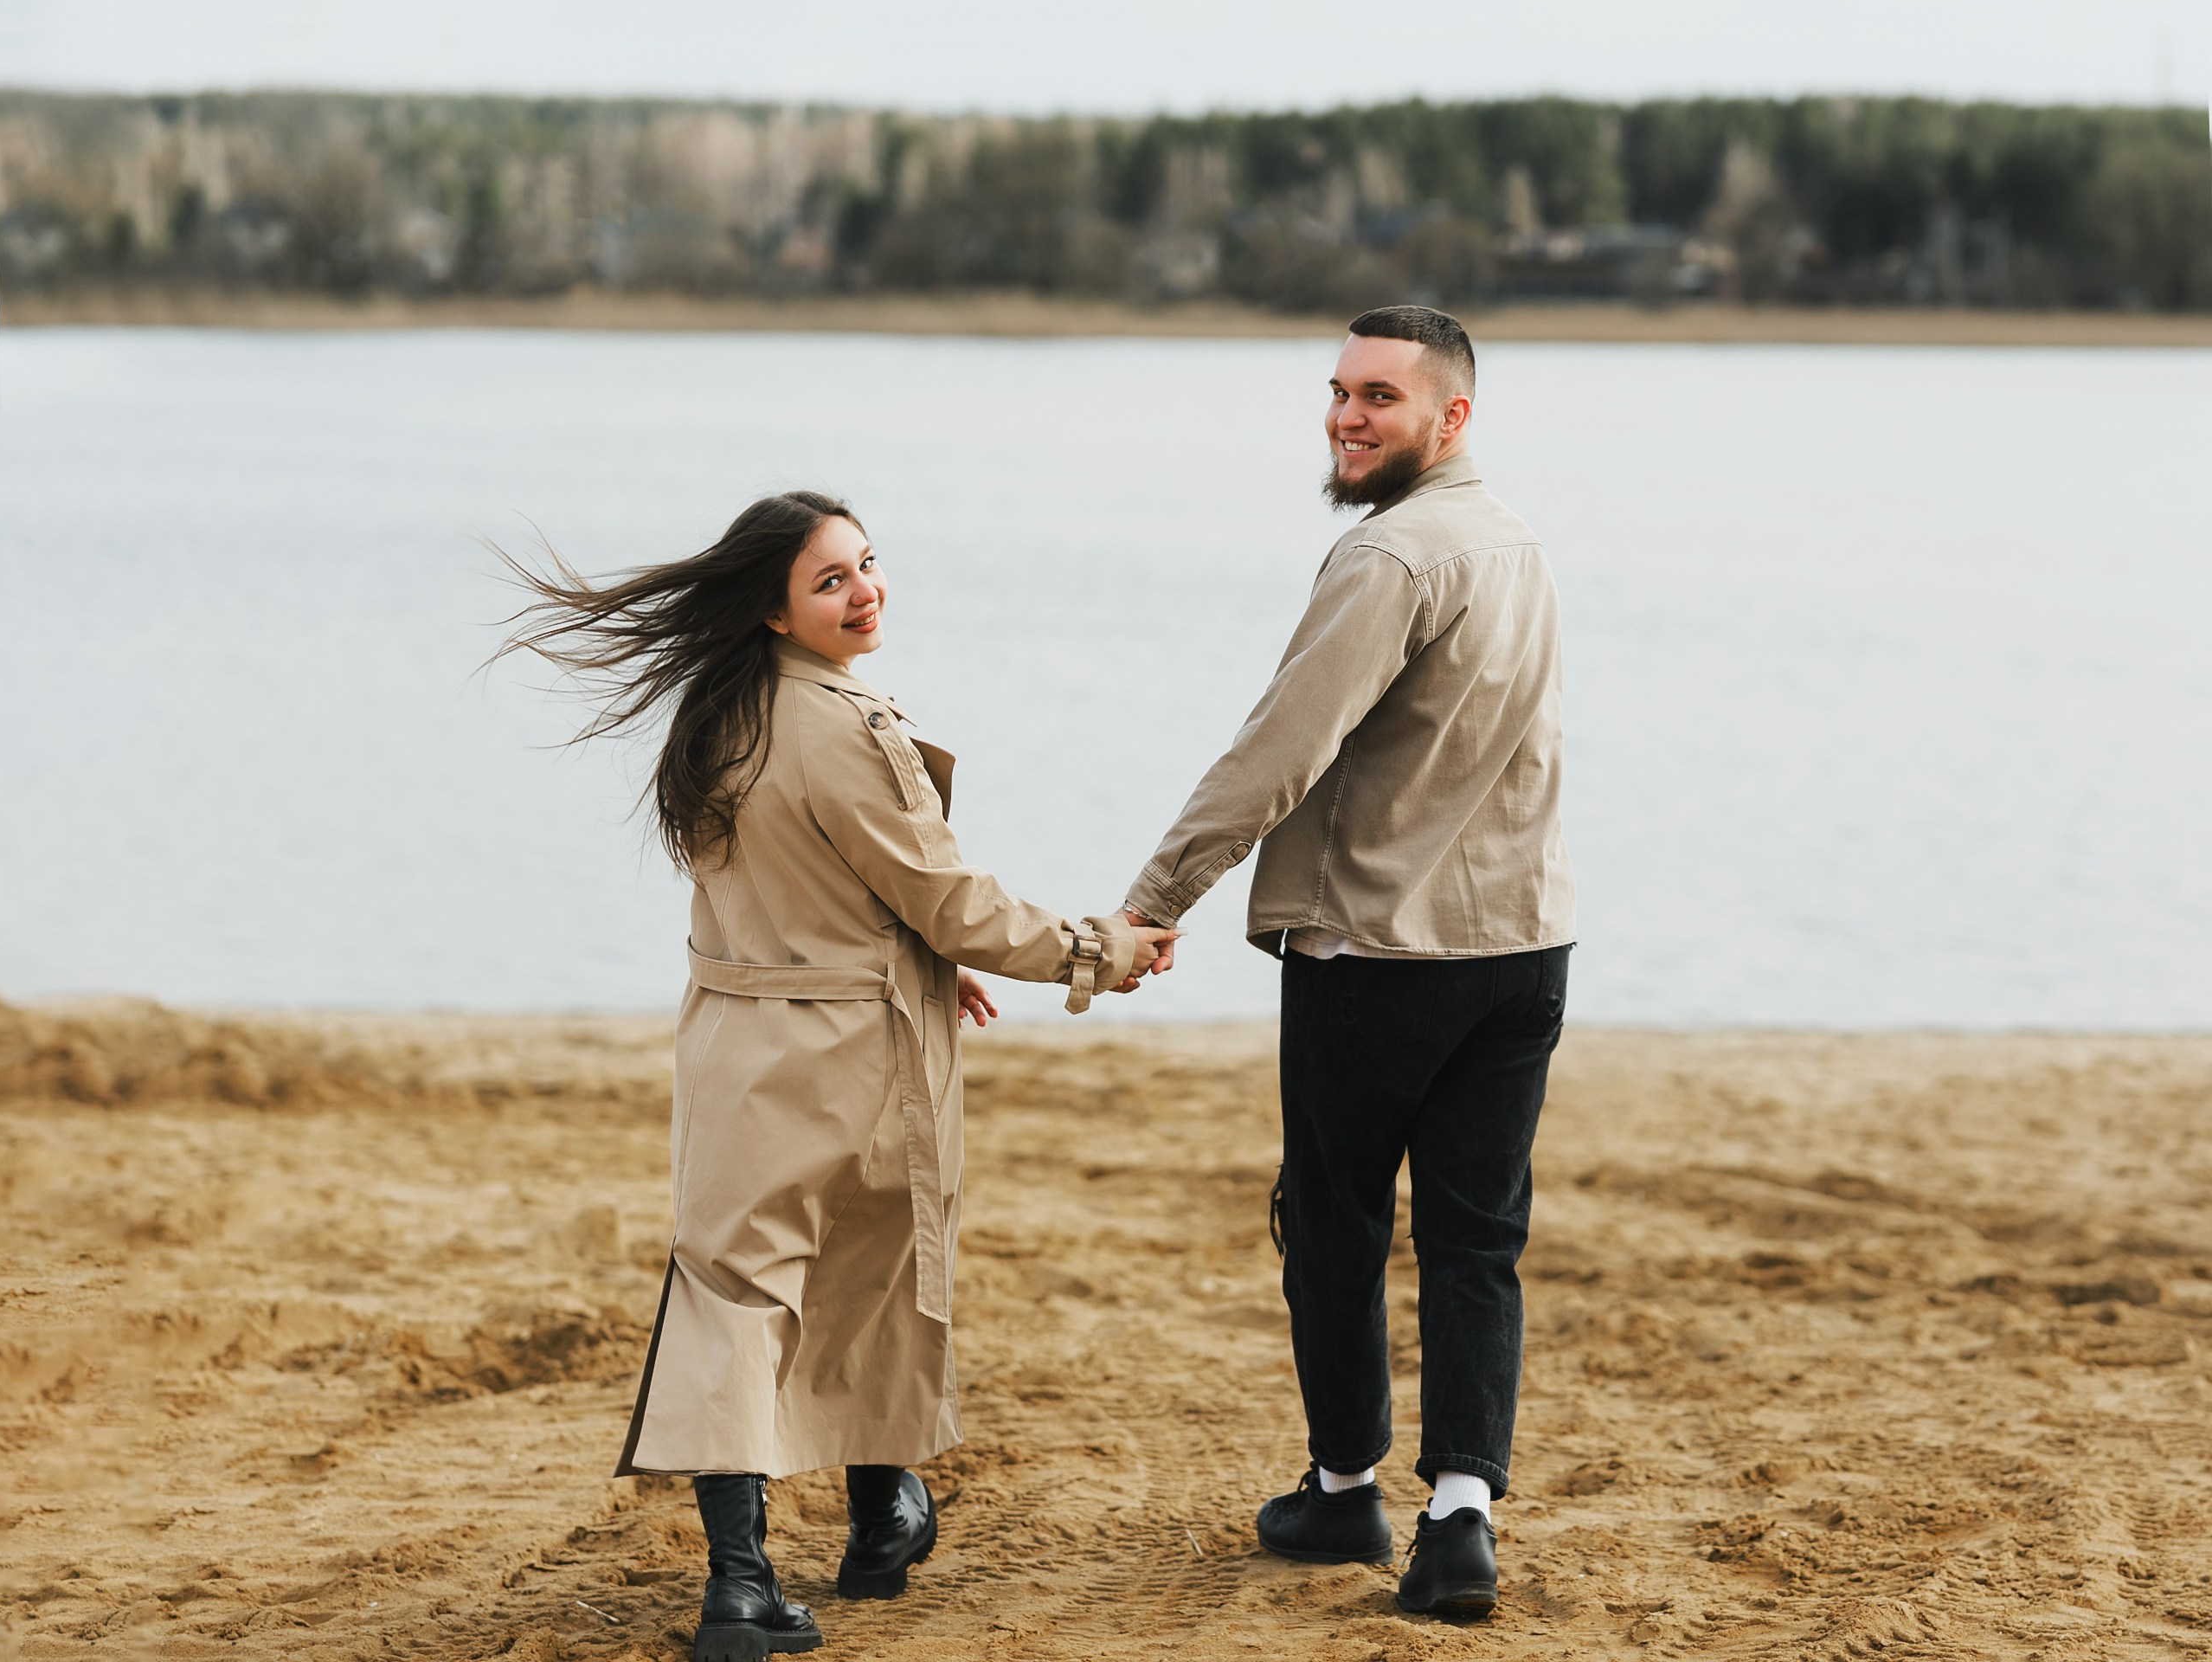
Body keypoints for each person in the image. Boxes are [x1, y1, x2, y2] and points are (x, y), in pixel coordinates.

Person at [501, 491, 1173, 1662]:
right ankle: (876, 1520)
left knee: (732, 1299)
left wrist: (918, 964)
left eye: (869, 566)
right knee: (877, 1265)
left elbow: (791, 887)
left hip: (732, 1045)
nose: (865, 592)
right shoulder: (847, 728)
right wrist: (1095, 952)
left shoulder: (714, 718)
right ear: (773, 610)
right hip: (852, 1057)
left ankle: (743, 1582)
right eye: (832, 581)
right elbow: (947, 898)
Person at [1121, 306, 1574, 1618]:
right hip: (1525, 944)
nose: (1346, 416)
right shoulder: (1521, 546)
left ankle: (1341, 1491)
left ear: (1454, 414)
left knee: (1332, 1224)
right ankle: (1462, 1514)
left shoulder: (1389, 560)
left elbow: (1280, 751)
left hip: (1376, 952)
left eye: (1380, 394)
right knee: (1479, 1239)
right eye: (1338, 391)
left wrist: (1157, 899)